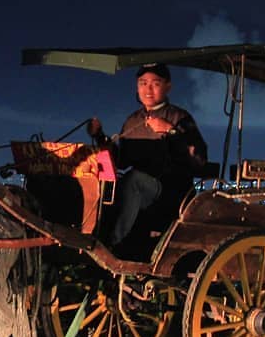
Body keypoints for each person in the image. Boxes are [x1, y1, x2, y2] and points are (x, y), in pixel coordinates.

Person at [88, 62, 207, 247]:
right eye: (143, 83)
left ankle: (112, 244)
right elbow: (120, 161)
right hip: (136, 191)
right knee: (96, 180)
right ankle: (86, 233)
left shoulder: (180, 118)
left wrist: (171, 131)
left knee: (134, 180)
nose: (148, 89)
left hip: (170, 192)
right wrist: (99, 136)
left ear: (168, 86)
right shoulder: (133, 120)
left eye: (155, 83)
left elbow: (199, 159)